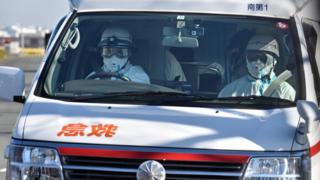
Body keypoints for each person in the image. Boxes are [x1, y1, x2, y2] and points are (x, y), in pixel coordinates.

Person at [218, 35, 296, 101]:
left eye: (262, 57)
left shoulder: (285, 91)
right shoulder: (230, 90)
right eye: (252, 57)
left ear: (274, 60)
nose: (257, 62)